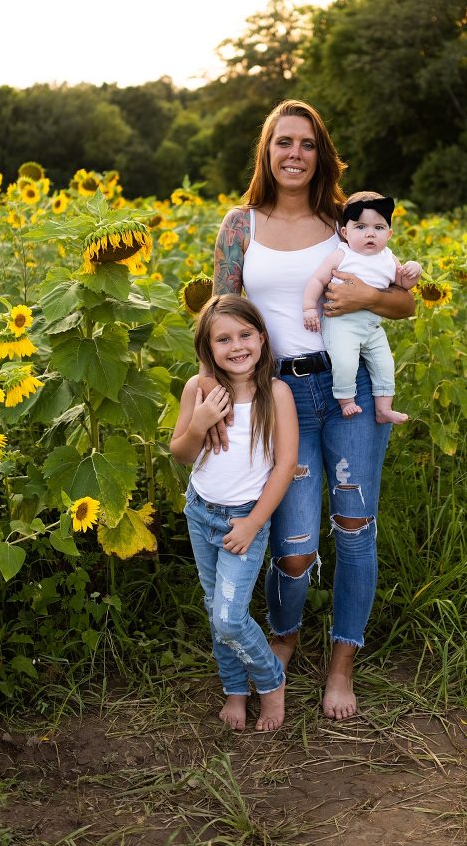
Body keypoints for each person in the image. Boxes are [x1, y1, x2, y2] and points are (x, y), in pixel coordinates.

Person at [212, 99, 415, 720]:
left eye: (306, 144)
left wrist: (367, 295)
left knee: (355, 528)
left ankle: (341, 663)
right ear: (267, 153)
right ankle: (285, 633)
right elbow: (221, 314)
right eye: (283, 143)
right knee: (294, 544)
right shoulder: (240, 225)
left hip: (346, 391)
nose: (294, 154)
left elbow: (406, 305)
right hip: (280, 397)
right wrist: (215, 396)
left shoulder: (347, 222)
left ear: (320, 154)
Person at [170, 294, 298, 732]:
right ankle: (234, 689)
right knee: (214, 609)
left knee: (229, 615)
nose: (236, 346)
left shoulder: (276, 394)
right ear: (208, 349)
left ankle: (270, 681)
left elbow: (284, 465)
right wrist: (200, 422)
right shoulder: (199, 390)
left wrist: (254, 522)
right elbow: (181, 454)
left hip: (244, 518)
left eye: (245, 335)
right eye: (223, 339)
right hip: (200, 511)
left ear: (262, 338)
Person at [302, 190, 421, 424]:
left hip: (372, 324)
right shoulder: (341, 255)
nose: (370, 234)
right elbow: (318, 280)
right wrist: (308, 307)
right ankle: (346, 400)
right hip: (341, 323)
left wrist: (413, 270)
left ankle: (383, 408)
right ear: (345, 233)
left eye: (378, 228)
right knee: (345, 361)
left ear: (389, 233)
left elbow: (403, 284)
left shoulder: (388, 257)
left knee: (384, 363)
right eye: (361, 227)